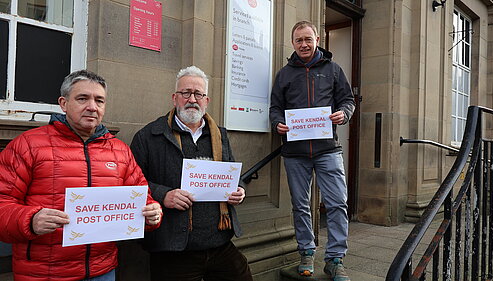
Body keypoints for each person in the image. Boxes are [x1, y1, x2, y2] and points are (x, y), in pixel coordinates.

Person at [0, 70, 163, 281]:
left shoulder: (121, 151)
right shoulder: (28, 145)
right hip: (45, 272)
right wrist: (30, 220)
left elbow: (144, 200)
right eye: (82, 98)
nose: (92, 107)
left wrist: (153, 215)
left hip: (102, 270)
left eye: (99, 100)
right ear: (63, 103)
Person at [130, 65, 253, 281]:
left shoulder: (219, 135)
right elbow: (131, 185)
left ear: (207, 100)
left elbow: (234, 175)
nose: (192, 99)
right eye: (185, 93)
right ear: (174, 98)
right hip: (174, 249)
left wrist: (240, 190)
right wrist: (163, 195)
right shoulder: (149, 136)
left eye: (198, 94)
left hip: (219, 243)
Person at [269, 21, 355, 281]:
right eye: (299, 40)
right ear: (292, 43)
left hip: (328, 149)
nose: (304, 44)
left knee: (337, 203)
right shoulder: (284, 74)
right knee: (301, 205)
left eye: (308, 39)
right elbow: (275, 107)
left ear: (317, 39)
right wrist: (277, 123)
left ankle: (335, 259)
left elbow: (347, 100)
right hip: (295, 153)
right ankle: (306, 252)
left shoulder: (333, 69)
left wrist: (345, 113)